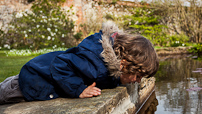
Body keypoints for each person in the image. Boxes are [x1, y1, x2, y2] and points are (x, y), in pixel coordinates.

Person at [0, 22, 159, 104]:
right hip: (29, 82)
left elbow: (107, 77)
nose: (138, 81)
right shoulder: (94, 61)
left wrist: (119, 80)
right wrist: (79, 89)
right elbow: (60, 65)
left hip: (38, 80)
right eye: (138, 76)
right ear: (123, 63)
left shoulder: (111, 66)